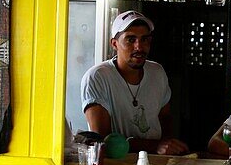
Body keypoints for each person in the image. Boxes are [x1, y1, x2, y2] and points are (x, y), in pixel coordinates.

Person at [81, 10, 189, 155]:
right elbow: (103, 140)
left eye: (144, 39)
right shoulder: (97, 77)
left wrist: (168, 145)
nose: (139, 47)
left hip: (157, 161)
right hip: (119, 164)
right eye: (131, 40)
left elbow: (165, 117)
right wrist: (155, 146)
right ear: (114, 44)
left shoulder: (157, 72)